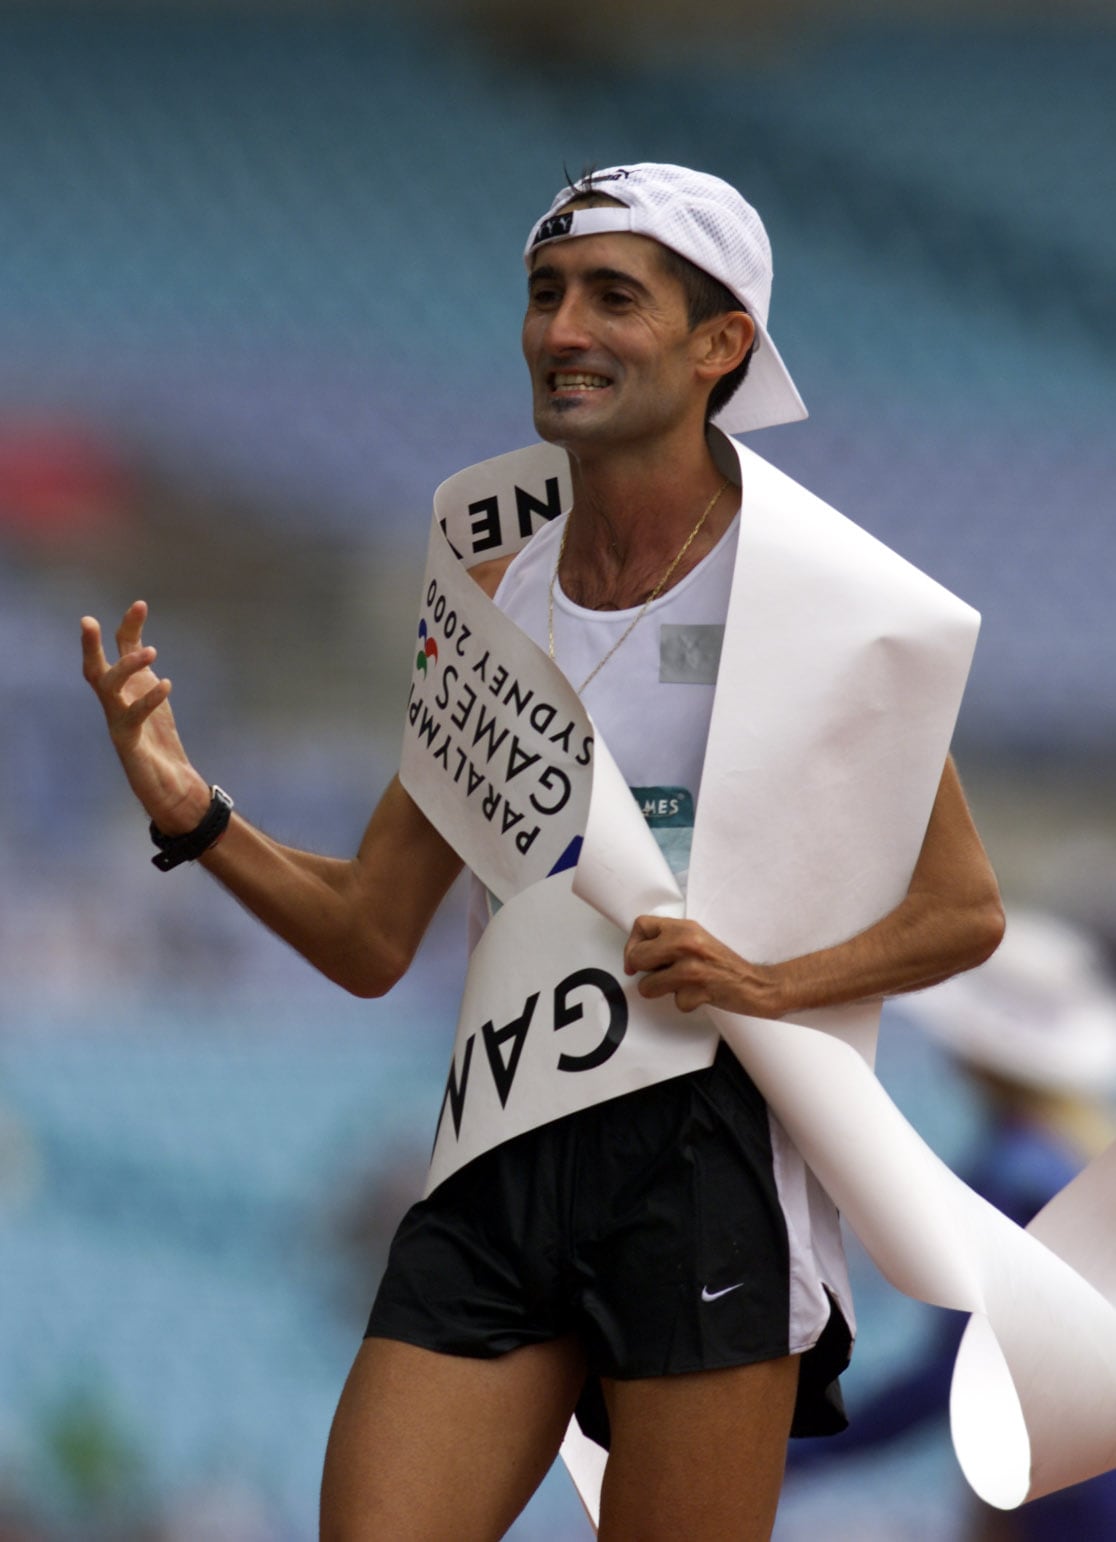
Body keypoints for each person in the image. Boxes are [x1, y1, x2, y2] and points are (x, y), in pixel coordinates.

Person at [81, 163, 1005, 1541]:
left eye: (612, 297)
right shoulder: (496, 585)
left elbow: (963, 911)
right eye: (544, 293)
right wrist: (192, 811)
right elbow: (370, 931)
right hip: (498, 1152)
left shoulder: (812, 593)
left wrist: (766, 977)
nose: (562, 328)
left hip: (708, 1156)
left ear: (719, 342)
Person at [789, 908, 1116, 1540]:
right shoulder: (1076, 1158)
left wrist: (795, 1454)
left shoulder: (1010, 1181)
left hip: (1068, 1494)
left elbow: (955, 1378)